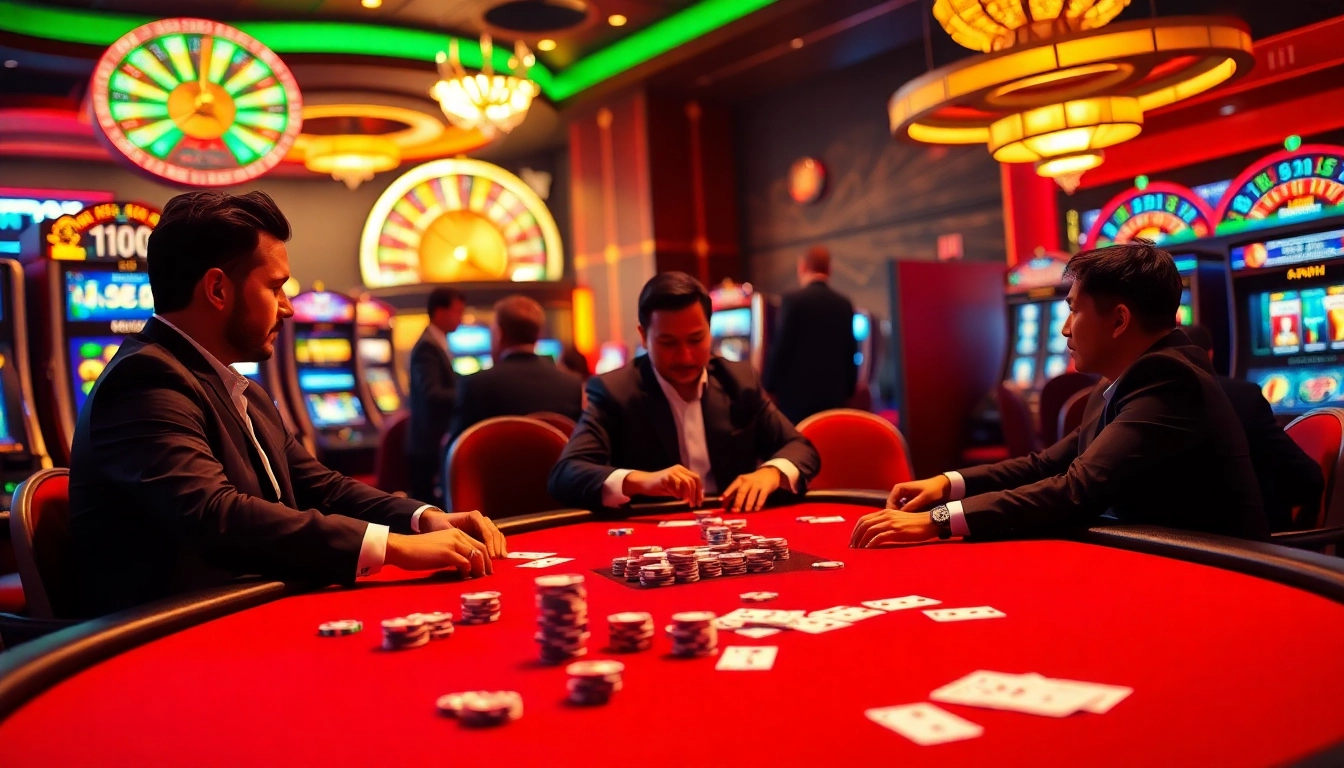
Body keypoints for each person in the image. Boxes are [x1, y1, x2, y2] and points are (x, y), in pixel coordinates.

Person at [68, 191, 506, 617]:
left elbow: (322, 486)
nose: (289, 308)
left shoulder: (238, 388)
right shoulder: (143, 380)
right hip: (161, 642)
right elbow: (214, 515)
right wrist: (392, 547)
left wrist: (421, 517)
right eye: (275, 288)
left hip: (243, 609)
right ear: (217, 289)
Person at [851, 241, 1269, 548]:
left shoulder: (1170, 380)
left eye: (1073, 309)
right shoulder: (1125, 378)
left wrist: (939, 521)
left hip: (1219, 571)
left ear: (1119, 320)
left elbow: (1076, 489)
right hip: (1164, 554)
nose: (1065, 328)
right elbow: (1047, 463)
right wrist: (946, 484)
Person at [549, 271, 820, 512]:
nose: (685, 356)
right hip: (651, 545)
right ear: (644, 336)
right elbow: (566, 474)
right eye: (668, 342)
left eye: (696, 339)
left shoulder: (738, 380)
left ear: (710, 331)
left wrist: (771, 473)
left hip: (733, 528)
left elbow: (800, 448)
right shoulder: (614, 391)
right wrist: (643, 480)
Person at [1184, 324, 1323, 532]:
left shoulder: (1138, 400)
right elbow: (1309, 480)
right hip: (1249, 550)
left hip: (1161, 546)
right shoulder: (1241, 396)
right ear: (1209, 354)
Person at [448, 295, 583, 444]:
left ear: (499, 334)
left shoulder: (474, 385)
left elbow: (458, 450)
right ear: (538, 334)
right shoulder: (572, 385)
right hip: (558, 468)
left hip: (498, 467)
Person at [762, 245, 858, 423]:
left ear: (803, 267)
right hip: (834, 396)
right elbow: (850, 351)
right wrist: (850, 391)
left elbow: (782, 348)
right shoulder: (844, 303)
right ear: (829, 269)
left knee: (800, 446)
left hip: (796, 399)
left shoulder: (792, 300)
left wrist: (768, 386)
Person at [406, 286, 466, 503]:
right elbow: (432, 393)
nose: (462, 318)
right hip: (427, 445)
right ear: (441, 312)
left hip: (434, 441)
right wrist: (467, 394)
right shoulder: (427, 347)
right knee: (428, 509)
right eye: (458, 312)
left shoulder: (437, 341)